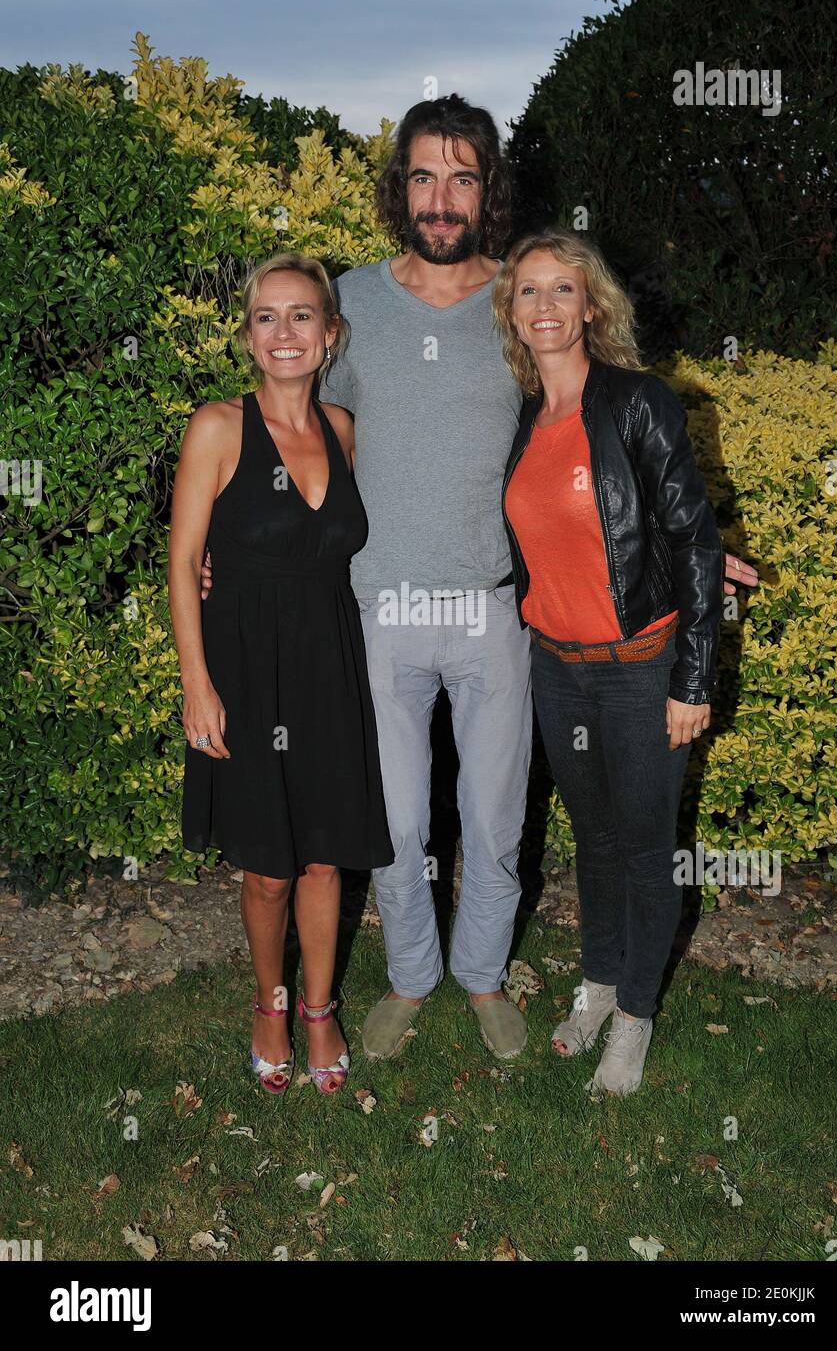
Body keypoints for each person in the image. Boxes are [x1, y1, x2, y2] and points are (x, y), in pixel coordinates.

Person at [200, 95, 757, 1065]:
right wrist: (239, 536)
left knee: (496, 821)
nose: (441, 196)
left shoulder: (522, 297)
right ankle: (412, 976)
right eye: (423, 175)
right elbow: (305, 434)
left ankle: (484, 975)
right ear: (399, 188)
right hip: (375, 607)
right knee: (401, 820)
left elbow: (600, 424)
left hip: (498, 611)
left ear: (487, 190)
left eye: (462, 176)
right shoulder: (353, 306)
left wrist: (687, 542)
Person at [495, 227, 722, 1095]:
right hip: (556, 665)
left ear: (590, 305)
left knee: (644, 846)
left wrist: (691, 681)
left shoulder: (637, 401)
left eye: (563, 289)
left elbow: (693, 542)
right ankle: (595, 986)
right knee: (590, 840)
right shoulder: (526, 416)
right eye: (528, 291)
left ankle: (633, 1020)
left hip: (638, 667)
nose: (545, 306)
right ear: (510, 313)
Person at [169, 252, 393, 1096]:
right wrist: (198, 681)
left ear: (329, 335)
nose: (284, 332)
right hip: (244, 665)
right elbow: (184, 559)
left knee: (326, 859)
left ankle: (320, 1007)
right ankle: (268, 1001)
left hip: (328, 663)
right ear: (248, 335)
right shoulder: (218, 427)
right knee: (266, 864)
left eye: (302, 316)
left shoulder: (341, 431)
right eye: (267, 316)